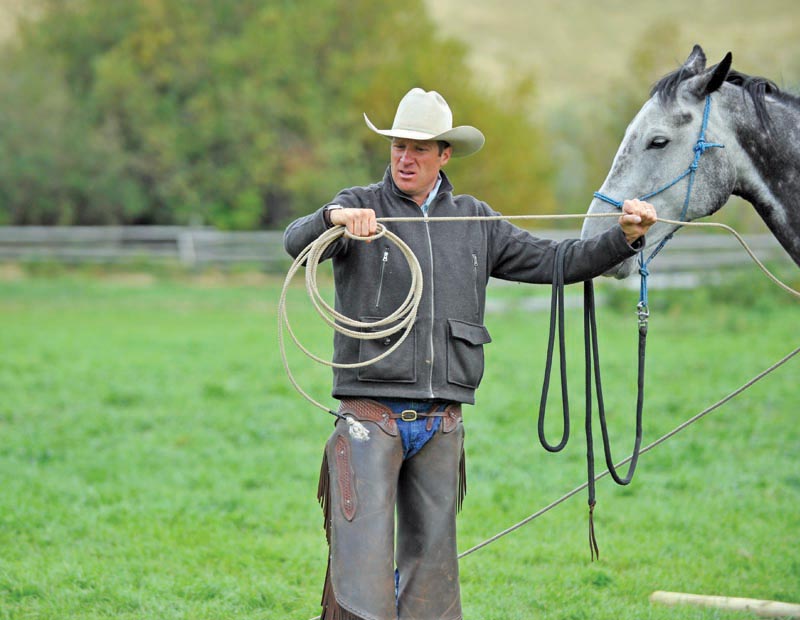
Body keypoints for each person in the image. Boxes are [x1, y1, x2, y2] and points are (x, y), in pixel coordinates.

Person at [284, 87, 657, 620]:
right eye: (397, 147)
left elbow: (558, 260)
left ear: (444, 154)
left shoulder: (475, 219)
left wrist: (623, 238)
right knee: (361, 590)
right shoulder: (359, 205)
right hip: (371, 417)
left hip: (442, 422)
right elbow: (295, 242)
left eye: (419, 148)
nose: (405, 158)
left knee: (432, 592)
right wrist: (333, 219)